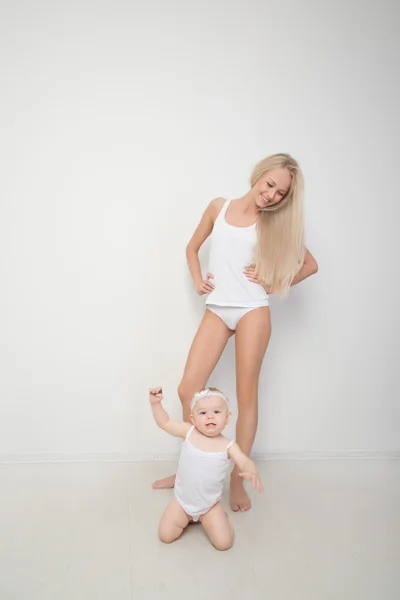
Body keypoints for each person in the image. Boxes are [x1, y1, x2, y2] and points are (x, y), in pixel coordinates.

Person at [153, 153, 318, 512]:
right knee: (187, 389)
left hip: (252, 311)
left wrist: (275, 284)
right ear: (258, 176)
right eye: (270, 184)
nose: (272, 194)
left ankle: (235, 481)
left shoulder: (276, 222)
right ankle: (190, 474)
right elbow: (192, 247)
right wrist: (198, 280)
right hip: (218, 308)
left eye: (281, 193)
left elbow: (310, 264)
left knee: (246, 400)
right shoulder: (218, 206)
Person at [149, 386, 262, 550]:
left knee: (224, 544)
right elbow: (165, 423)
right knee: (165, 536)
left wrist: (250, 468)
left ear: (227, 418)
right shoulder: (188, 432)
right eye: (202, 413)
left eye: (216, 412)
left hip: (209, 506)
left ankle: (218, 517)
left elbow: (242, 460)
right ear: (193, 419)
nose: (210, 416)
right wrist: (156, 404)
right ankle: (186, 516)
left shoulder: (228, 446)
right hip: (182, 502)